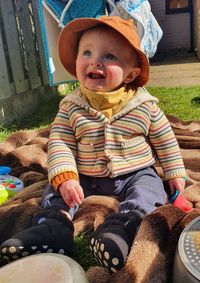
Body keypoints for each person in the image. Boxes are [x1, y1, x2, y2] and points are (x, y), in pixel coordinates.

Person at [0, 16, 186, 272]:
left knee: (150, 189)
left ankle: (120, 228)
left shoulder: (145, 107)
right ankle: (53, 228)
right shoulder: (71, 107)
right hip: (85, 175)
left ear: (131, 73)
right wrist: (66, 177)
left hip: (135, 171)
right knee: (57, 191)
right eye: (86, 52)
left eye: (109, 56)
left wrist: (175, 173)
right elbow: (60, 143)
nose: (94, 60)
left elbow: (165, 140)